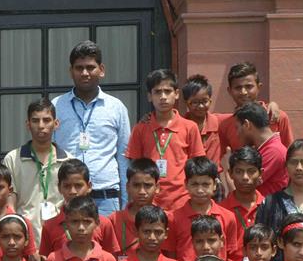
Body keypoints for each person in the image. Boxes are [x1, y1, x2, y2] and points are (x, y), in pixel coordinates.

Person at [52, 41, 131, 215]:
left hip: (106, 199)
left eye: (90, 67)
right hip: (67, 198)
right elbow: (49, 155)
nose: (85, 73)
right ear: (71, 71)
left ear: (101, 70)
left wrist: (125, 204)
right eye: (79, 68)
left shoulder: (116, 108)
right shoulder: (56, 106)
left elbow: (123, 157)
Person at [126, 68, 205, 213]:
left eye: (167, 91)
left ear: (176, 94)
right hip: (149, 200)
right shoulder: (140, 128)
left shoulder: (189, 127)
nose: (163, 97)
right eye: (157, 92)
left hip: (182, 199)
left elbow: (197, 166)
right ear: (149, 96)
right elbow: (134, 167)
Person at [4, 98, 71, 241]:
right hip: (25, 237)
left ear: (56, 123)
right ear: (28, 124)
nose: (41, 126)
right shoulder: (12, 159)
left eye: (47, 120)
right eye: (35, 121)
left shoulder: (68, 161)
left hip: (60, 237)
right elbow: (10, 204)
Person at [169, 157, 241, 261]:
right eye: (194, 184)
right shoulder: (173, 218)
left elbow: (233, 256)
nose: (200, 190)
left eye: (205, 184)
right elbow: (171, 257)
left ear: (215, 185)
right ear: (186, 184)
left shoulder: (228, 217)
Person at [215, 62, 294, 161]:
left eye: (249, 87)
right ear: (229, 91)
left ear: (259, 87)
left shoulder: (277, 116)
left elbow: (290, 155)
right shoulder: (225, 125)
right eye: (238, 88)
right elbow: (225, 161)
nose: (243, 92)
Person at [98, 158, 163, 259]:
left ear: (157, 187)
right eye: (136, 185)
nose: (142, 191)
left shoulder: (166, 219)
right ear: (128, 187)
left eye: (147, 185)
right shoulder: (114, 220)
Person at [39, 159, 101, 259]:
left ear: (89, 186)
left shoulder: (104, 223)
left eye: (78, 186)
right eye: (67, 186)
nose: (72, 191)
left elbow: (110, 259)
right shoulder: (50, 225)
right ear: (59, 188)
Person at [235, 103, 288, 197]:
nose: (237, 134)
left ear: (247, 124)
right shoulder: (266, 148)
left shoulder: (274, 151)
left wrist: (227, 167)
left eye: (237, 128)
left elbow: (241, 188)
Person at [219, 146, 264, 238]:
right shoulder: (220, 211)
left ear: (260, 174)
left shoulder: (270, 207)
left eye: (251, 171)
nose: (245, 177)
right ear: (230, 173)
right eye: (239, 171)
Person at [180, 74, 220, 165]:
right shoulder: (180, 127)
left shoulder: (219, 122)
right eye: (195, 102)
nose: (200, 106)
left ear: (210, 101)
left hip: (214, 176)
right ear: (186, 103)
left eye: (204, 101)